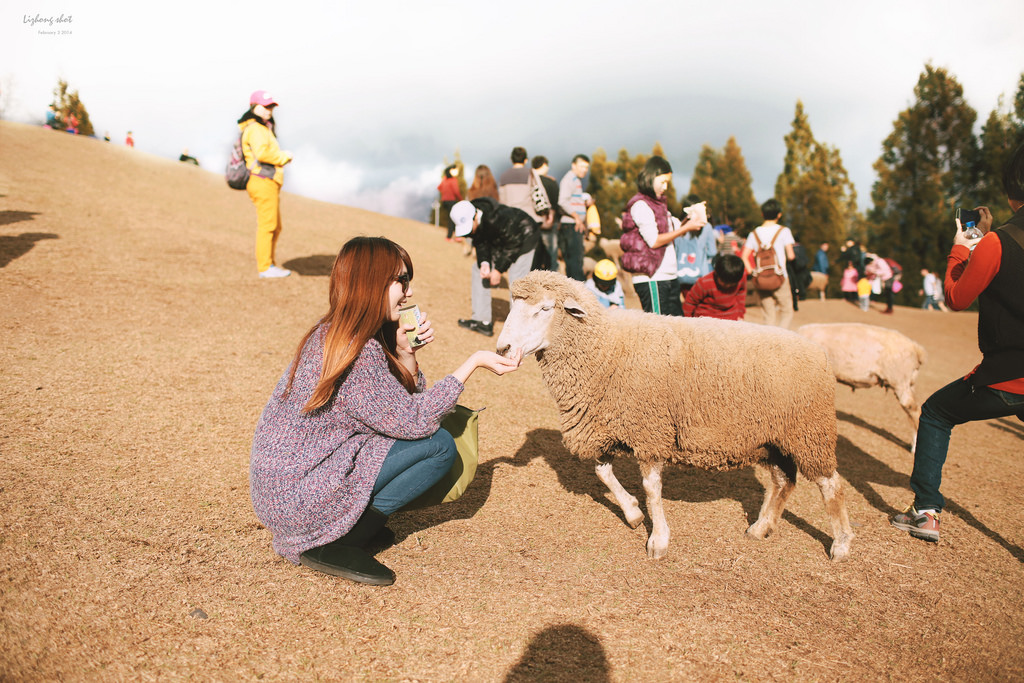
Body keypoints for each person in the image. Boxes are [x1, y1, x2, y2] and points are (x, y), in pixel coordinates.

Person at [251, 237, 522, 584]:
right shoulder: (357, 351)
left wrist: (406, 354)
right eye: (401, 280)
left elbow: (398, 408)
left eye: (408, 280)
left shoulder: (336, 333)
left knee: (428, 442)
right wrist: (474, 363)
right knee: (438, 447)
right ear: (371, 282)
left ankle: (348, 527)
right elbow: (417, 421)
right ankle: (337, 541)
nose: (408, 292)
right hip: (299, 497)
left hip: (288, 486)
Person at [891, 143, 1024, 544]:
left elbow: (955, 298)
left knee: (934, 412)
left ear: (1009, 191)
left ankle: (925, 512)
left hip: (1008, 376)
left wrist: (963, 248)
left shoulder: (997, 243)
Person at [619, 156, 703, 315]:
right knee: (658, 332)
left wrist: (690, 219)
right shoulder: (641, 205)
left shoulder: (659, 205)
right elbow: (655, 241)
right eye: (662, 182)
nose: (665, 187)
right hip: (652, 278)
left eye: (667, 183)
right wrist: (687, 228)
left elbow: (674, 228)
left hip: (668, 276)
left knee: (677, 328)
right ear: (651, 177)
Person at [451, 197, 539, 336]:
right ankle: (482, 321)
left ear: (475, 217)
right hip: (503, 241)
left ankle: (518, 328)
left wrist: (498, 270)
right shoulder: (475, 220)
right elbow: (480, 243)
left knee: (517, 280)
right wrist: (485, 263)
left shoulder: (497, 217)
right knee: (477, 269)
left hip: (524, 236)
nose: (469, 232)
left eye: (469, 227)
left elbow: (513, 244)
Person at [238, 90, 294, 278]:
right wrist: (284, 157)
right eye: (265, 106)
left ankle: (269, 265)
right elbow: (262, 154)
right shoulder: (256, 128)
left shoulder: (261, 127)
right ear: (254, 106)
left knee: (275, 226)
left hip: (267, 180)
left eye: (271, 106)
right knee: (268, 225)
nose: (269, 110)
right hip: (262, 179)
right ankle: (265, 267)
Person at [740, 199, 796, 328]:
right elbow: (791, 256)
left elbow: (744, 256)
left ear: (762, 214)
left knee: (768, 314)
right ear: (779, 214)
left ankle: (770, 341)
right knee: (786, 311)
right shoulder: (784, 231)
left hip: (761, 279)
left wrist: (753, 273)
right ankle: (781, 339)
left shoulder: (754, 233)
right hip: (780, 277)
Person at [673, 194, 717, 300]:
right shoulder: (706, 227)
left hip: (681, 274)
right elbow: (712, 252)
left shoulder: (678, 226)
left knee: (688, 304)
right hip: (701, 274)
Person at [682, 253, 747, 320]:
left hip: (731, 319)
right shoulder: (704, 283)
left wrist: (740, 314)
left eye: (731, 284)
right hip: (706, 320)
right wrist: (689, 321)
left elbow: (741, 294)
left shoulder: (739, 277)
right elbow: (690, 302)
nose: (728, 286)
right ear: (716, 273)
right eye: (724, 283)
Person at [557, 154, 591, 281]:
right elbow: (562, 201)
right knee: (575, 262)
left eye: (586, 167)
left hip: (573, 224)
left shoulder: (576, 180)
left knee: (576, 261)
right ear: (574, 165)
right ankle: (578, 293)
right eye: (582, 166)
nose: (584, 170)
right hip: (571, 225)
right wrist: (577, 217)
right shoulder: (569, 180)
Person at [530, 156, 560, 271]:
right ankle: (551, 282)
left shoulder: (530, 182)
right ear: (544, 165)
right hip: (549, 222)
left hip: (533, 222)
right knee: (551, 254)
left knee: (535, 255)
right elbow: (557, 203)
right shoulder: (551, 182)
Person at [437, 165, 463, 240]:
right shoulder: (453, 180)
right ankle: (450, 237)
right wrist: (461, 199)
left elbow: (439, 187)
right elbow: (456, 191)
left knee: (451, 217)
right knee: (454, 218)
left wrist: (445, 193)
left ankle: (453, 235)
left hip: (444, 201)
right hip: (451, 201)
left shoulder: (445, 179)